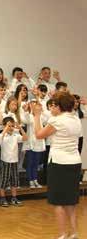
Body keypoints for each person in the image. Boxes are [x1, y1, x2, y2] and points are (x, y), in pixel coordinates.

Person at [33, 92, 82, 239]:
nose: (53, 107)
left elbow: (39, 134)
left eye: (55, 105)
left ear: (60, 106)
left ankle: (61, 235)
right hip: (74, 162)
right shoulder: (75, 119)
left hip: (59, 163)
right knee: (70, 201)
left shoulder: (57, 121)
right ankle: (73, 233)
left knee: (58, 201)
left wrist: (36, 116)